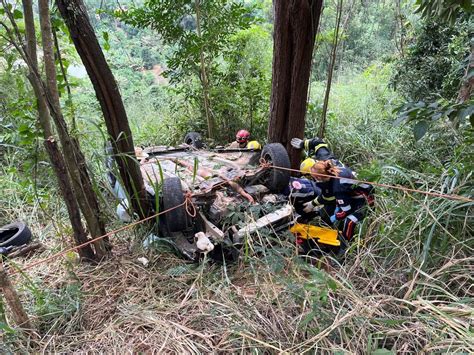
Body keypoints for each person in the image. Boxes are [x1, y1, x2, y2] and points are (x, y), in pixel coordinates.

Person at [306, 160, 374, 242]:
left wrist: (336, 216)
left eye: (314, 178)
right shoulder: (335, 169)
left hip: (367, 198)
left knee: (349, 221)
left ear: (319, 178)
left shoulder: (338, 188)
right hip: (357, 193)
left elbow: (346, 211)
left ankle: (346, 243)